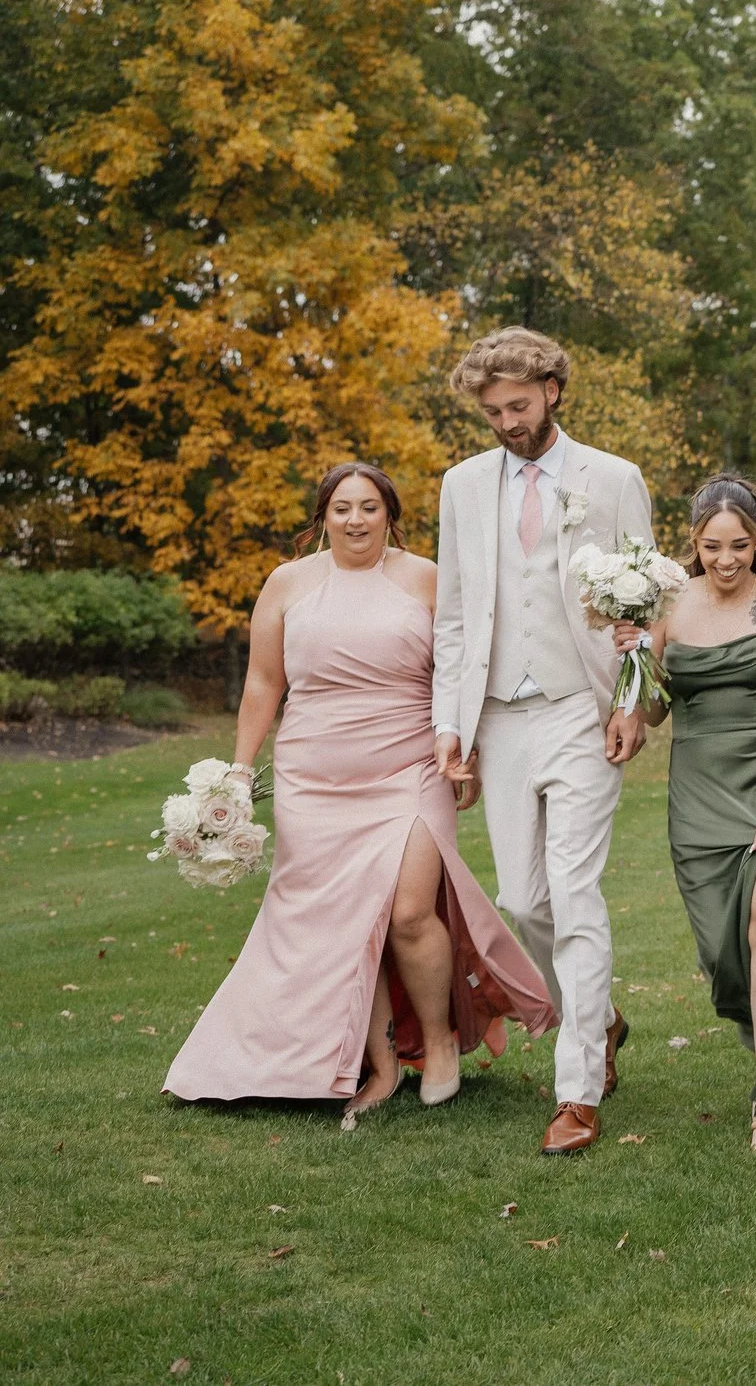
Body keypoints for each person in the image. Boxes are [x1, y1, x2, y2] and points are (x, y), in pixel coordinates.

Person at [166, 464, 555, 1121]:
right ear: (323, 516)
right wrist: (239, 769)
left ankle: (439, 1044)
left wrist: (469, 750)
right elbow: (263, 682)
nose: (355, 519)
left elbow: (463, 672)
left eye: (369, 507)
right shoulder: (287, 583)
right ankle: (377, 1063)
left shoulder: (427, 578)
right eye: (342, 507)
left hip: (411, 765)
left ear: (389, 514)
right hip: (313, 775)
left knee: (409, 911)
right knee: (343, 920)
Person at [432, 328, 653, 1156]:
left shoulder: (614, 478)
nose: (506, 423)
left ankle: (578, 1091)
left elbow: (644, 607)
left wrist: (631, 701)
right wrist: (451, 726)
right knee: (524, 900)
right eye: (492, 411)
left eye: (518, 405)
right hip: (497, 714)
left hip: (579, 708)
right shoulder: (462, 486)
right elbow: (454, 616)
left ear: (553, 389)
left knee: (574, 888)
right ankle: (602, 1016)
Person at [629, 476, 756, 1153]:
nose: (726, 558)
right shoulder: (668, 605)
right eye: (713, 546)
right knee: (723, 950)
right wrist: (635, 657)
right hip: (698, 789)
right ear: (694, 543)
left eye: (739, 544)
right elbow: (653, 713)